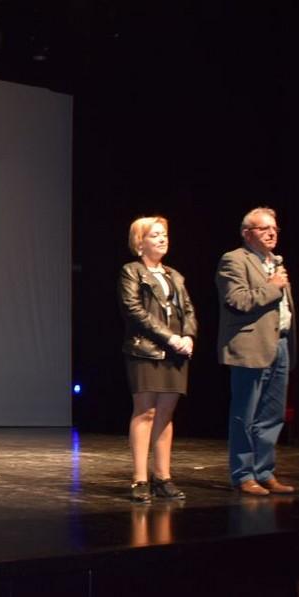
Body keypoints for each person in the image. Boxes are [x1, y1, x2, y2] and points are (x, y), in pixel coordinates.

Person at [216, 207, 296, 496]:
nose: (272, 233)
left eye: (274, 228)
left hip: (281, 344)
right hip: (250, 346)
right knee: (245, 415)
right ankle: (243, 474)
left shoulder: (276, 263)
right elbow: (237, 300)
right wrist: (273, 287)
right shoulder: (233, 260)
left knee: (273, 414)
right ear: (247, 233)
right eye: (264, 229)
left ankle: (265, 471)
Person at [118, 216, 196, 503]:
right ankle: (140, 479)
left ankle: (163, 477)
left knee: (165, 414)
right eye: (155, 235)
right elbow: (134, 310)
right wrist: (169, 338)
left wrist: (188, 336)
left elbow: (188, 310)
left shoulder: (175, 275)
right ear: (140, 242)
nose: (163, 239)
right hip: (145, 350)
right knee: (146, 412)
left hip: (175, 352)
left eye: (164, 234)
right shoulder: (132, 271)